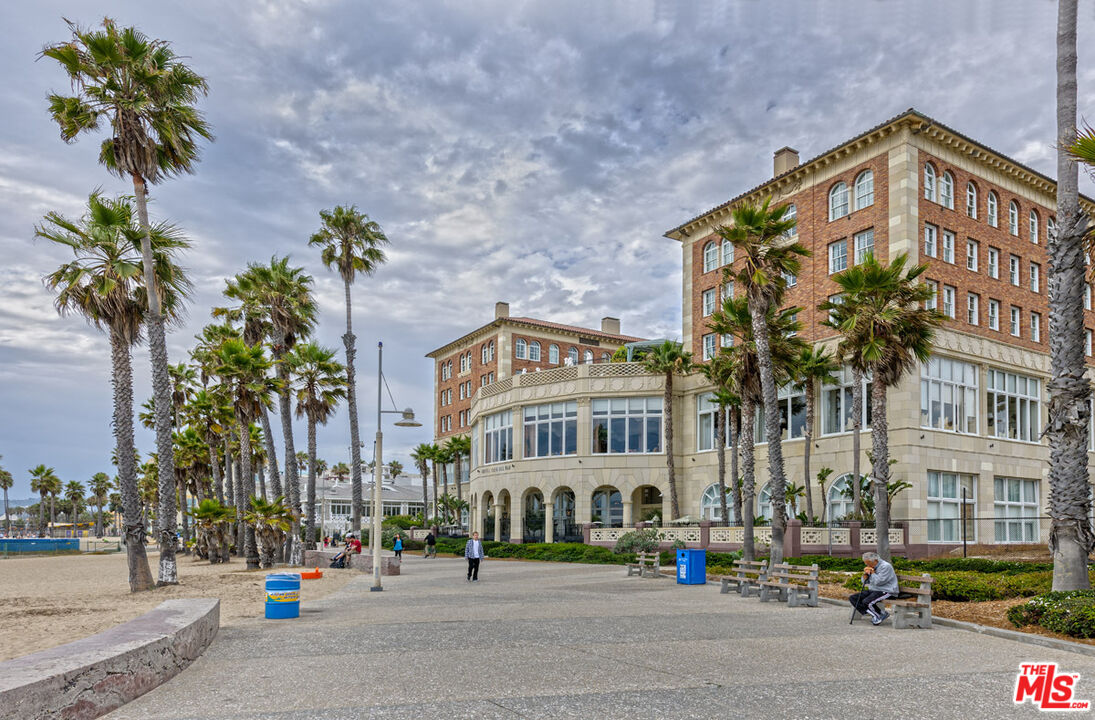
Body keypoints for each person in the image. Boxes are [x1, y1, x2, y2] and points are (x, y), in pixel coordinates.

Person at [849, 551, 898, 625]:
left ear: (875, 561)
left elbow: (879, 581)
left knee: (867, 602)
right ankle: (879, 614)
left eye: (868, 563)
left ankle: (878, 616)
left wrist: (872, 573)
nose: (866, 565)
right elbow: (865, 582)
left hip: (887, 590)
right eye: (865, 563)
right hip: (874, 589)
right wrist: (865, 576)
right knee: (854, 598)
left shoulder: (885, 566)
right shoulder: (872, 567)